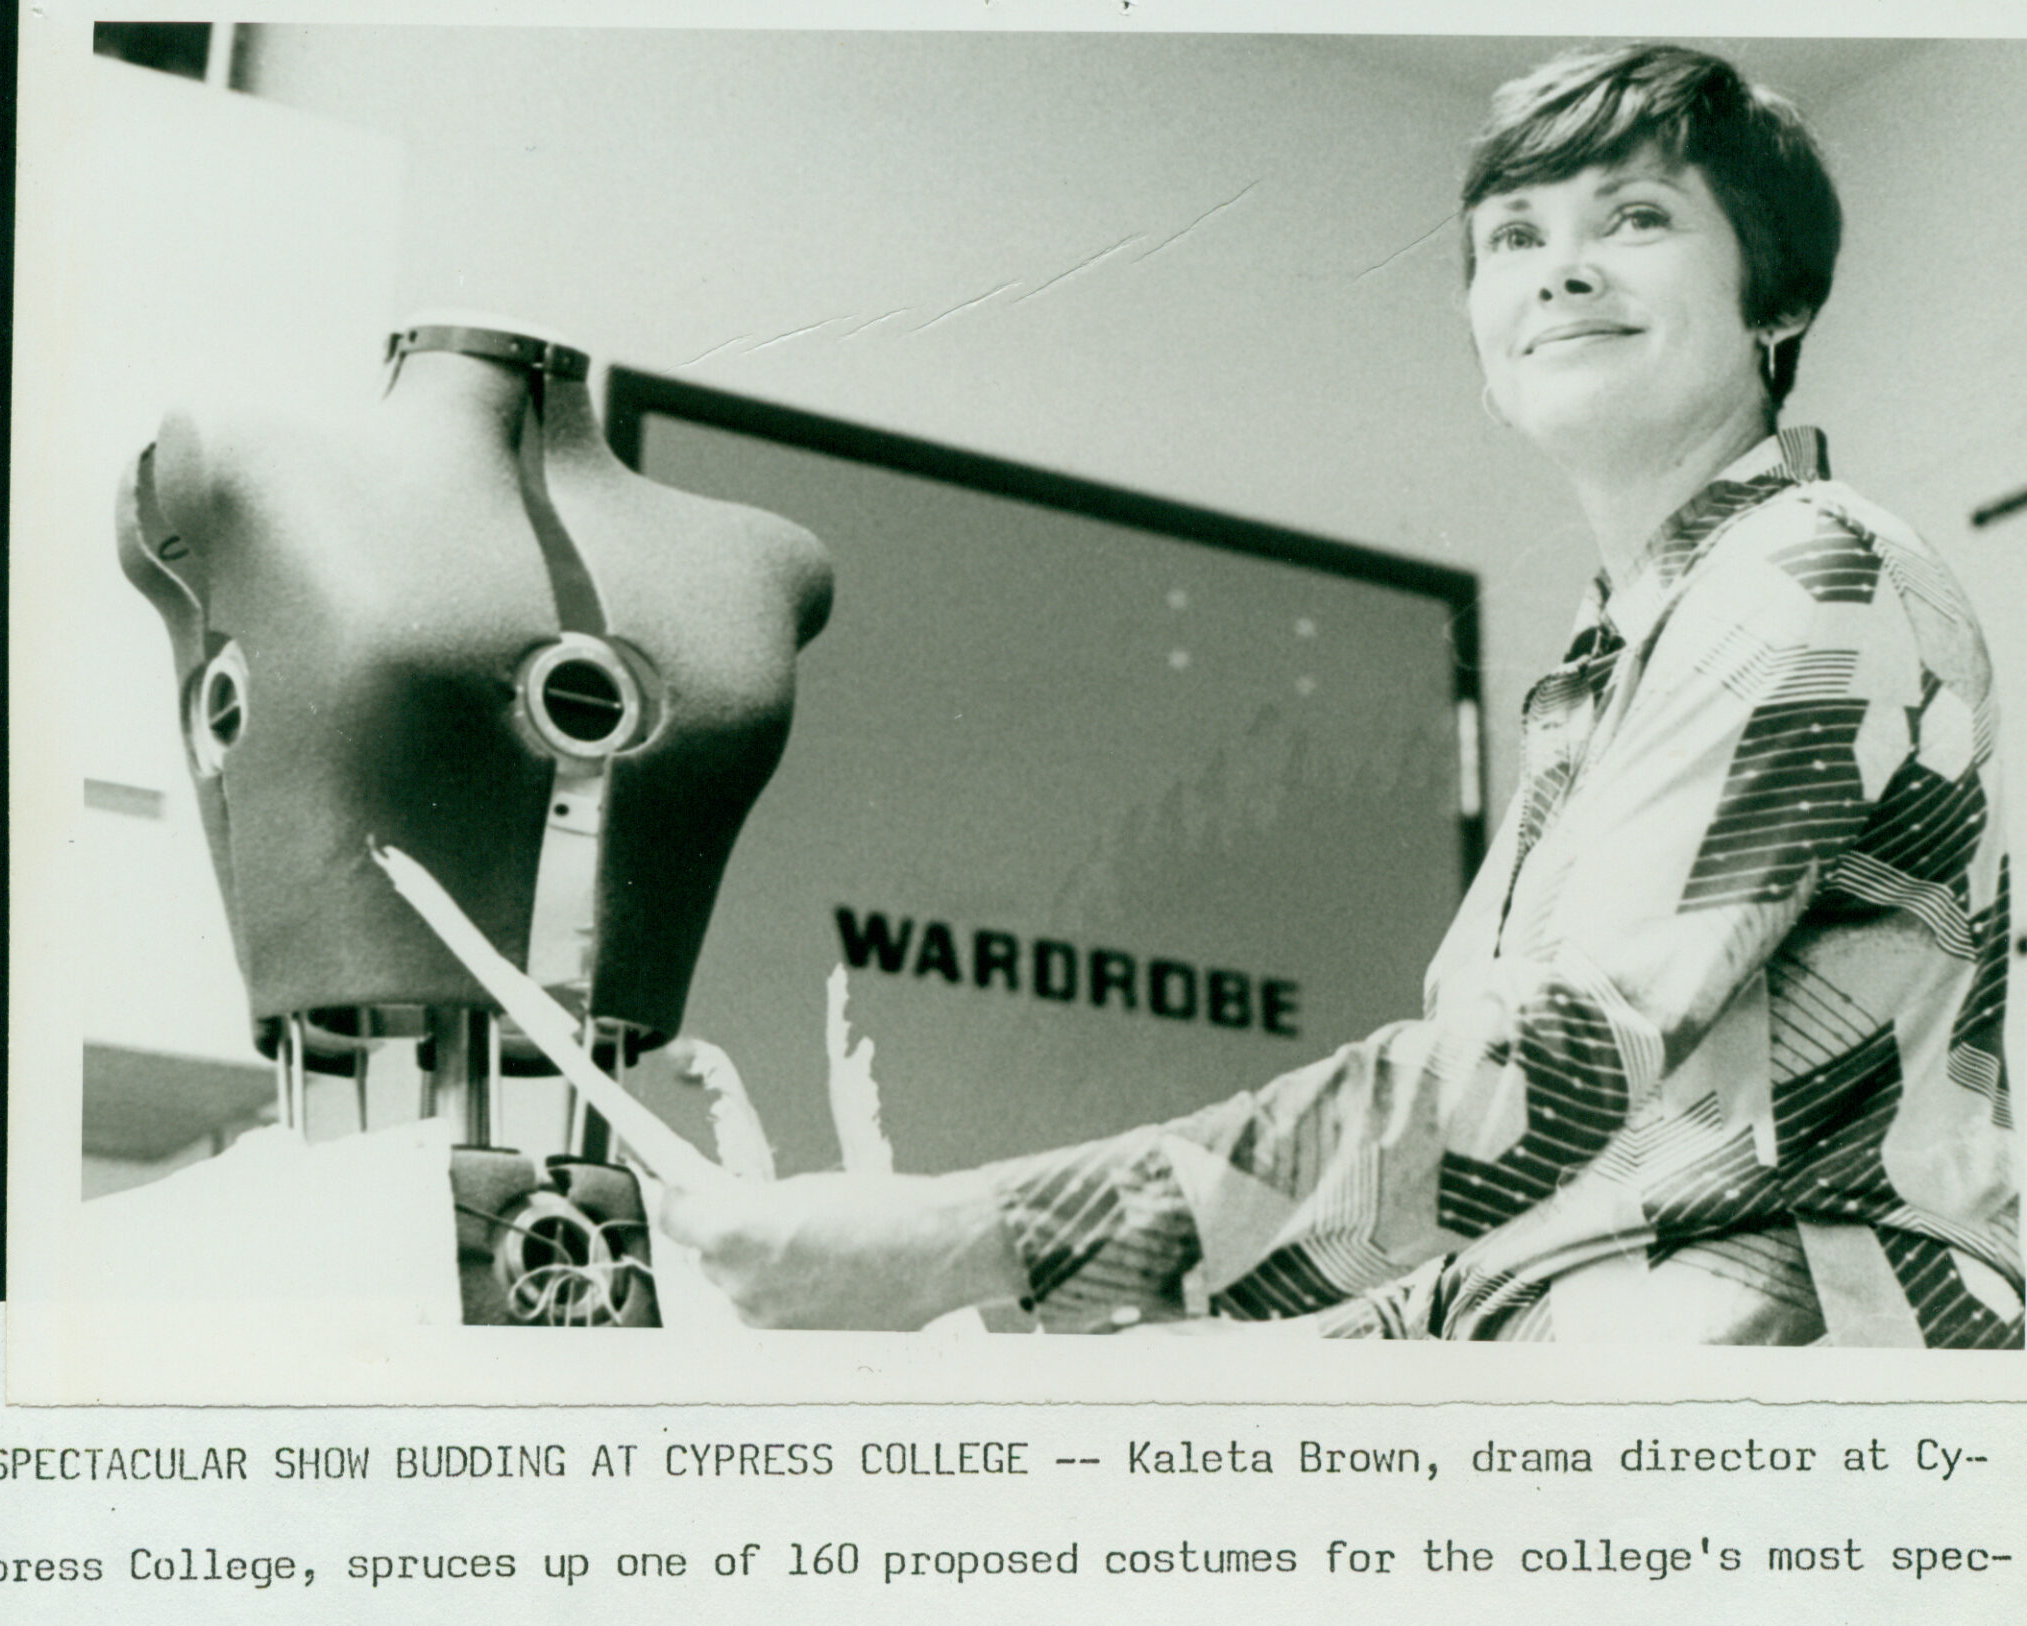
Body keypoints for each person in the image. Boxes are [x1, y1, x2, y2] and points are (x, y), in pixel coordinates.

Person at [647, 44, 2022, 1347]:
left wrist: (966, 1241)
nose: (1560, 273)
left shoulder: (1805, 566)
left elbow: (1543, 1078)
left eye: (1638, 217)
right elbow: (1492, 1236)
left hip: (1791, 1431)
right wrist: (1022, 1326)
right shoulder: (1611, 668)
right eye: (1513, 239)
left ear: (1780, 298)